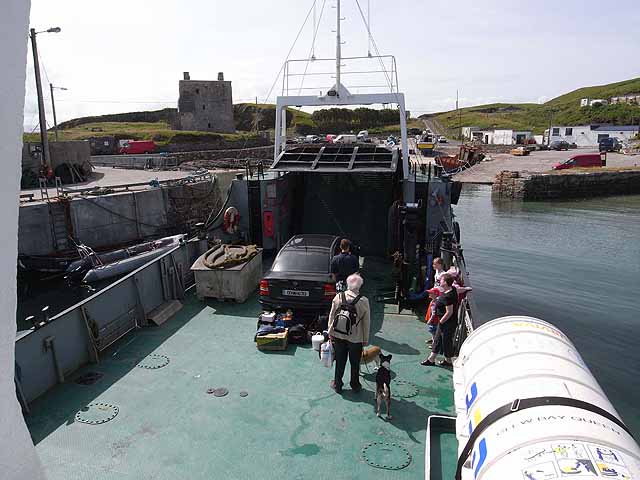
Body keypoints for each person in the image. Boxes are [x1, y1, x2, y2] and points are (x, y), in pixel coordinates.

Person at [328, 273, 370, 393]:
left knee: (340, 361)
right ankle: (355, 385)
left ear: (348, 284)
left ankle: (338, 384)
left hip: (339, 335)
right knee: (355, 363)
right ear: (359, 286)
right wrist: (365, 339)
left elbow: (332, 315)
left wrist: (330, 332)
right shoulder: (364, 301)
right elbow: (366, 322)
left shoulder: (339, 297)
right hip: (356, 338)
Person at [421, 273, 458, 367]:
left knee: (445, 341)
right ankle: (438, 359)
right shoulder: (452, 290)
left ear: (445, 282)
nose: (439, 281)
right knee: (440, 340)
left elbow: (449, 312)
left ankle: (436, 360)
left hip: (446, 323)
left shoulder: (448, 296)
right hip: (447, 322)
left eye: (441, 280)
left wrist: (441, 322)